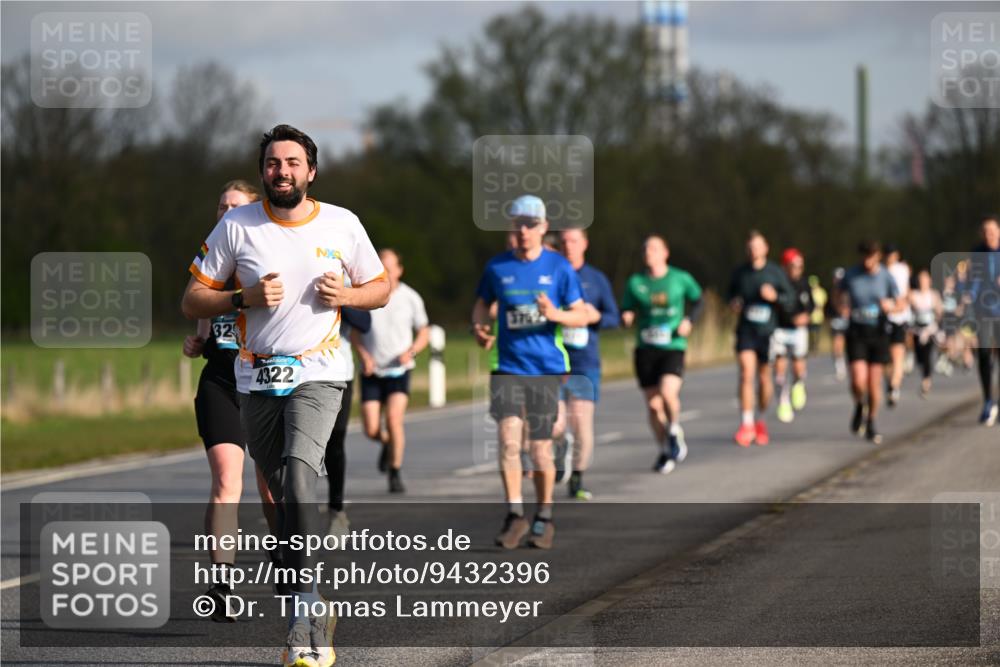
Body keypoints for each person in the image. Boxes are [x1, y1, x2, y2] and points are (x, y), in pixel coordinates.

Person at [182, 124, 389, 667]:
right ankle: (306, 590)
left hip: (319, 373)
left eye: (292, 163)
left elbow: (381, 286)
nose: (282, 172)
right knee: (276, 488)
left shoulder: (342, 223)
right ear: (263, 172)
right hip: (254, 378)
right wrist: (240, 297)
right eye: (273, 163)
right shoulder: (237, 224)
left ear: (311, 171)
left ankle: (304, 609)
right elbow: (193, 299)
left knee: (300, 472)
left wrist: (348, 293)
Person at [182, 180, 278, 622]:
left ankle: (287, 560)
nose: (225, 213)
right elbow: (197, 307)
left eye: (234, 207)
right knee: (226, 481)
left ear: (252, 213)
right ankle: (222, 583)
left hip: (264, 383)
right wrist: (199, 342)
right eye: (221, 206)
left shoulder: (268, 252)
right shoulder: (208, 257)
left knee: (272, 488)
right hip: (221, 381)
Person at [471, 194, 587, 550]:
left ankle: (544, 516)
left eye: (531, 225)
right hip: (507, 367)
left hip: (545, 369)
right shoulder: (497, 268)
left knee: (538, 449)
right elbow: (480, 306)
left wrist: (556, 315)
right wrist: (479, 328)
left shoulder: (559, 268)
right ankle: (514, 514)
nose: (524, 231)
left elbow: (581, 314)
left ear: (543, 228)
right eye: (518, 224)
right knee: (508, 441)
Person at [621, 235, 703, 473]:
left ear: (665, 253)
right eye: (645, 249)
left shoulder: (680, 278)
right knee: (654, 407)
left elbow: (699, 301)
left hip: (672, 346)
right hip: (645, 348)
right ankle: (665, 449)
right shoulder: (636, 282)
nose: (649, 253)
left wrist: (689, 320)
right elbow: (626, 307)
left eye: (654, 249)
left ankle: (675, 429)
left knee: (668, 393)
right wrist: (627, 315)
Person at [352, 248, 430, 494]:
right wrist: (363, 356)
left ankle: (395, 472)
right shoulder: (368, 294)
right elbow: (355, 330)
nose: (385, 271)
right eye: (381, 266)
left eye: (389, 266)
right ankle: (387, 443)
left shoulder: (410, 297)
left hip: (399, 369)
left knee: (394, 420)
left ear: (399, 269)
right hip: (372, 369)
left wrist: (412, 352)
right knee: (371, 429)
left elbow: (424, 331)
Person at [554, 228, 619, 498]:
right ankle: (561, 449)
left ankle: (578, 477)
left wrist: (595, 318)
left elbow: (613, 317)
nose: (569, 246)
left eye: (574, 241)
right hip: (553, 360)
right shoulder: (551, 275)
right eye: (564, 241)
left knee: (581, 419)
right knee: (554, 423)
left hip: (585, 361)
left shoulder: (596, 279)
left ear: (585, 244)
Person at [728, 230, 794, 447]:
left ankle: (760, 420)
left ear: (766, 248)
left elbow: (790, 299)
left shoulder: (775, 272)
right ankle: (746, 423)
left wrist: (775, 297)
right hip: (746, 330)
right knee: (746, 374)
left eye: (757, 246)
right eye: (750, 247)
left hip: (768, 332)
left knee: (764, 379)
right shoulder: (740, 272)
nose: (753, 250)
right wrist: (735, 303)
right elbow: (730, 295)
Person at [836, 240, 901, 445]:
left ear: (878, 256)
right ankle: (858, 405)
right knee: (857, 379)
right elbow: (837, 293)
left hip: (879, 332)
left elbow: (901, 302)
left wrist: (890, 307)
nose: (868, 260)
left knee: (874, 384)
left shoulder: (886, 277)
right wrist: (841, 307)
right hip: (856, 331)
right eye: (865, 256)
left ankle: (871, 421)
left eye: (872, 256)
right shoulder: (851, 274)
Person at [325, 306, 371, 540]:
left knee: (334, 441)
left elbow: (364, 322)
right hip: (296, 372)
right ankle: (293, 517)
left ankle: (337, 511)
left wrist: (340, 296)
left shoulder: (342, 276)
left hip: (338, 372)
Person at [772, 248, 814, 423]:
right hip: (780, 329)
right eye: (793, 266)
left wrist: (805, 317)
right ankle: (783, 400)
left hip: (798, 330)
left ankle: (798, 384)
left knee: (798, 366)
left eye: (799, 266)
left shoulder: (804, 284)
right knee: (780, 368)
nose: (796, 269)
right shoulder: (777, 283)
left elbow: (811, 307)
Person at [966, 214, 1000, 426]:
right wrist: (968, 293)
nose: (989, 235)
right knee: (984, 355)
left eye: (992, 231)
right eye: (985, 232)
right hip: (984, 310)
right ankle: (988, 399)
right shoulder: (977, 252)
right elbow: (974, 278)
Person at [883, 243, 912, 407]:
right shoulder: (880, 271)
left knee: (897, 354)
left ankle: (895, 387)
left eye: (892, 254)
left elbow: (906, 290)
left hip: (900, 317)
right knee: (886, 358)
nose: (890, 258)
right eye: (887, 254)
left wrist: (903, 305)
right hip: (885, 317)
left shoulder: (902, 269)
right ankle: (891, 384)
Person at [909, 269, 942, 397]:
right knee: (920, 358)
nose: (923, 282)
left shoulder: (933, 295)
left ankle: (926, 381)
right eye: (921, 279)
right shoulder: (913, 295)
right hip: (917, 330)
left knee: (928, 355)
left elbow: (939, 313)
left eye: (925, 279)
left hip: (930, 329)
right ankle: (924, 373)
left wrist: (935, 326)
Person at [827, 267, 849, 381]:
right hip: (836, 319)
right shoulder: (832, 292)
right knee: (837, 345)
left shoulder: (850, 290)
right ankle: (839, 368)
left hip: (849, 320)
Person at [808, 274, 827, 351]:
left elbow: (822, 303)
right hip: (809, 316)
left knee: (817, 332)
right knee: (810, 332)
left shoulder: (821, 292)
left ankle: (815, 346)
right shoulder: (808, 292)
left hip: (818, 316)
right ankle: (812, 345)